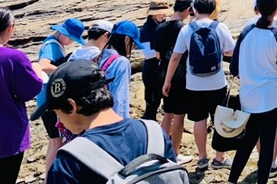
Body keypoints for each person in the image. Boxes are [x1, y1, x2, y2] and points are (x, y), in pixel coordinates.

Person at [36, 60, 177, 184]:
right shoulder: (155, 133)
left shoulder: (69, 161)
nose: (58, 122)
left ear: (72, 106)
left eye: (57, 113)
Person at [226, 0, 277, 184]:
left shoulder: (246, 33)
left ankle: (232, 180)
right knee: (267, 145)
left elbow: (233, 67)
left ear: (256, 9)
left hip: (249, 95)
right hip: (271, 97)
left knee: (247, 141)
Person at [162, 0, 235, 171]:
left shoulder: (187, 29)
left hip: (194, 85)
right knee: (219, 120)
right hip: (217, 82)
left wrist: (167, 80)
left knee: (199, 120)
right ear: (212, 10)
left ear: (194, 10)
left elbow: (175, 57)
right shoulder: (220, 27)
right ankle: (220, 158)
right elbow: (231, 51)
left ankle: (202, 158)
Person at [0, 9, 44, 184]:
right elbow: (29, 91)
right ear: (10, 28)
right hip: (8, 136)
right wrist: (37, 71)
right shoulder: (15, 58)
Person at [243, 0, 277, 176]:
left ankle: (260, 160)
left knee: (254, 129)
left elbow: (236, 63)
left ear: (256, 9)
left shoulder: (247, 28)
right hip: (272, 87)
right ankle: (271, 163)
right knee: (273, 125)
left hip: (250, 88)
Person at [37, 18, 86, 182]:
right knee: (57, 142)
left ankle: (48, 178)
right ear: (62, 33)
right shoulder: (51, 45)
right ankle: (51, 179)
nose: (71, 41)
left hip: (45, 101)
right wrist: (66, 72)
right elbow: (43, 65)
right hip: (49, 102)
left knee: (53, 141)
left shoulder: (54, 44)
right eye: (70, 38)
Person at [154, 0, 193, 165]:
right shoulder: (183, 29)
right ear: (186, 10)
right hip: (179, 74)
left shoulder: (160, 27)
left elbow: (157, 54)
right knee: (179, 116)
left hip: (162, 72)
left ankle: (163, 150)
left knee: (167, 113)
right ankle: (175, 153)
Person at [103, 21, 144, 119]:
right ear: (126, 40)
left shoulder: (100, 55)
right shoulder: (122, 62)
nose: (133, 48)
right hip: (113, 121)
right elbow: (120, 99)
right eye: (133, 44)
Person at [140, 1, 170, 121]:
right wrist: (161, 52)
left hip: (161, 68)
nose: (163, 16)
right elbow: (147, 54)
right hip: (152, 69)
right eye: (161, 14)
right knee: (152, 102)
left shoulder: (163, 26)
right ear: (153, 15)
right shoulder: (146, 29)